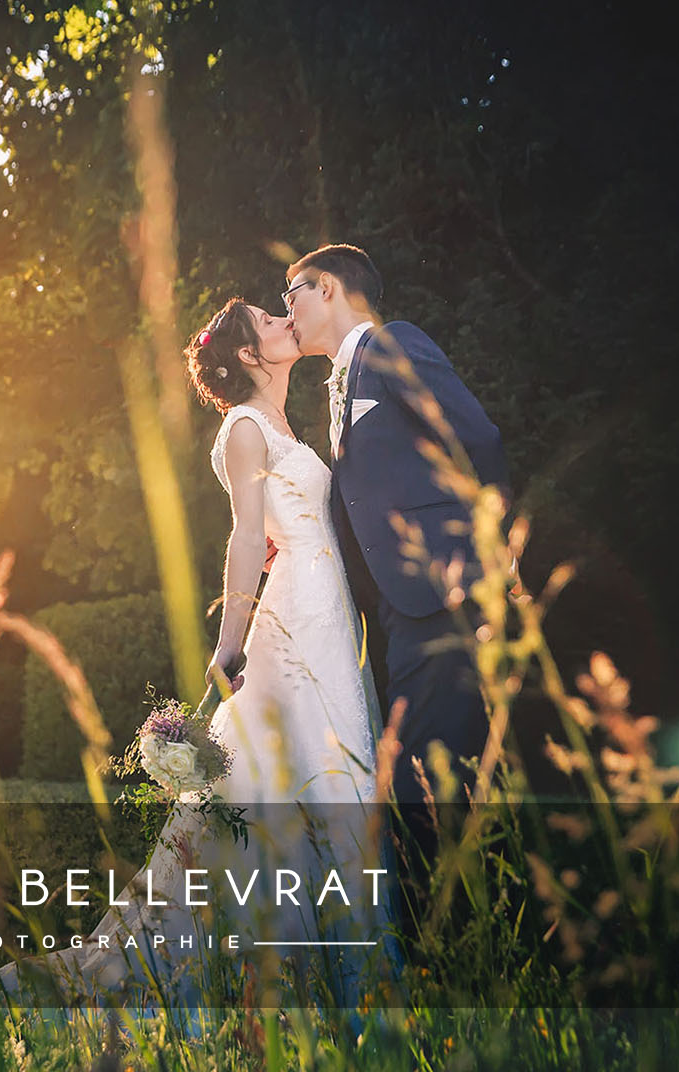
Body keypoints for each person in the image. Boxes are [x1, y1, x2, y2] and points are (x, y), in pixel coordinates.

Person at [0, 298, 390, 1016]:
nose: (281, 322)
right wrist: (229, 645)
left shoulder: (289, 424)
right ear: (245, 356)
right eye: (267, 321)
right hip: (291, 617)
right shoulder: (242, 427)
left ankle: (329, 976)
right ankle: (273, 980)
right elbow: (243, 537)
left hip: (327, 615)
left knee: (329, 774)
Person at [281, 243, 511, 932]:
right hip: (395, 623)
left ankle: (452, 955)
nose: (284, 308)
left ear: (326, 288)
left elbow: (479, 439)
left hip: (445, 604)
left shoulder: (391, 343)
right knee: (420, 789)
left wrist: (490, 566)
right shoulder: (338, 385)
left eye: (290, 291)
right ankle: (440, 955)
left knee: (435, 791)